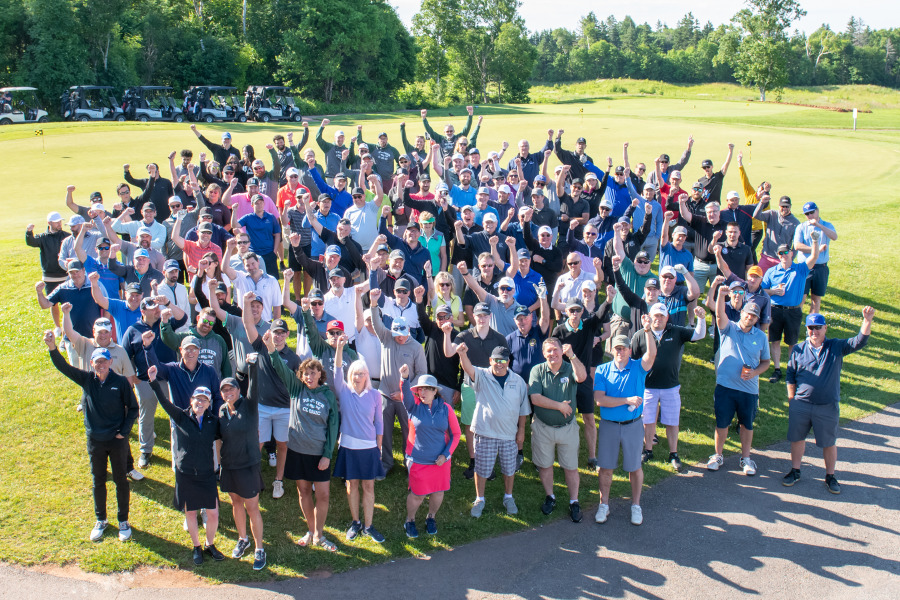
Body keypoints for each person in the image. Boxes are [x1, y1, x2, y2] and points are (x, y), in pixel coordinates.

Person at [44, 332, 138, 542]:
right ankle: (101, 519)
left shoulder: (121, 382)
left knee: (121, 480)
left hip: (117, 441)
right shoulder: (87, 379)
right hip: (95, 440)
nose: (101, 365)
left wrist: (123, 432)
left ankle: (123, 520)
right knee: (98, 481)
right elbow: (64, 368)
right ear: (92, 363)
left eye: (104, 361)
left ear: (110, 362)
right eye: (97, 362)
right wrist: (52, 348)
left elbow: (133, 409)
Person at [783, 308, 874, 494]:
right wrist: (792, 400)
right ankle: (795, 470)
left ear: (825, 328)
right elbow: (790, 376)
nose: (814, 332)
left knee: (828, 442)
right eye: (811, 328)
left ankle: (830, 476)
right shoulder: (798, 349)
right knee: (797, 439)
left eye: (818, 328)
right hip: (801, 404)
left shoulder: (835, 346)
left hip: (827, 406)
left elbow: (859, 342)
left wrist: (867, 321)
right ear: (807, 329)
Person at [265, 330, 339, 551]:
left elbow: (333, 426)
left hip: (319, 455)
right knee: (303, 492)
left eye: (313, 372)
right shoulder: (295, 388)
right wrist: (270, 346)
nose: (309, 376)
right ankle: (311, 530)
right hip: (297, 451)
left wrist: (327, 454)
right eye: (306, 373)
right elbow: (279, 365)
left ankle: (319, 534)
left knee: (323, 494)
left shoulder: (327, 395)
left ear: (320, 375)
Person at [146, 368, 226, 566]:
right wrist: (154, 381)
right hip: (186, 473)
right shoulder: (181, 416)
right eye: (197, 399)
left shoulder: (213, 422)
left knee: (213, 513)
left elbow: (229, 435)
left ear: (209, 404)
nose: (200, 403)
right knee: (190, 513)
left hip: (207, 473)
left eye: (204, 400)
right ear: (191, 400)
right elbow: (164, 402)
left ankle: (210, 543)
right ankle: (197, 546)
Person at [592, 322, 657, 526]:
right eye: (617, 348)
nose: (620, 351)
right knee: (606, 468)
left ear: (630, 350)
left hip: (633, 425)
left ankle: (636, 505)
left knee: (634, 467)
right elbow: (600, 400)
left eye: (624, 348)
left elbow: (652, 354)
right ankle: (604, 504)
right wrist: (627, 400)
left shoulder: (638, 367)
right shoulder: (602, 370)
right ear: (612, 350)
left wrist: (647, 331)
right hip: (609, 425)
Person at [455, 344, 530, 518]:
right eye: (496, 360)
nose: (499, 364)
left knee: (509, 469)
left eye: (503, 360)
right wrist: (462, 354)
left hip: (509, 434)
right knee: (481, 469)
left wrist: (521, 431)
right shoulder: (482, 375)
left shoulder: (518, 381)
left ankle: (508, 497)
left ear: (508, 362)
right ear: (490, 361)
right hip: (485, 432)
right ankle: (480, 499)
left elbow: (523, 409)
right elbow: (467, 368)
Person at [633, 303, 707, 470]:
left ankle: (673, 453)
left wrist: (701, 318)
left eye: (661, 316)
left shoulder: (676, 331)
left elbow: (699, 335)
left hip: (670, 386)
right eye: (655, 316)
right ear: (649, 317)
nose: (658, 319)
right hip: (648, 386)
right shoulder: (640, 335)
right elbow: (633, 361)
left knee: (672, 422)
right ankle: (648, 450)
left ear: (667, 318)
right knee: (648, 420)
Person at [707, 290, 771, 476]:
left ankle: (746, 458)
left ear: (757, 318)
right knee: (722, 423)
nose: (750, 317)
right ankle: (718, 455)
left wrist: (755, 372)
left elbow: (766, 362)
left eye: (753, 315)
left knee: (746, 425)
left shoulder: (761, 337)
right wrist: (720, 294)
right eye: (747, 313)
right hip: (725, 387)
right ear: (741, 313)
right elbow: (719, 314)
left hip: (749, 390)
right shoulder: (729, 328)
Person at [332, 336, 386, 543]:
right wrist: (339, 348)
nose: (357, 377)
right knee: (351, 485)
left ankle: (369, 525)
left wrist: (379, 445)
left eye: (361, 373)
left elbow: (379, 423)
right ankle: (356, 522)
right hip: (348, 446)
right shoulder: (344, 391)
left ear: (367, 376)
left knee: (369, 487)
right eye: (354, 373)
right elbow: (337, 372)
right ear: (350, 375)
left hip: (369, 447)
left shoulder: (375, 396)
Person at [368, 289, 427, 474]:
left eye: (402, 334)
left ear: (409, 330)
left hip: (406, 399)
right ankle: (386, 463)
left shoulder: (416, 347)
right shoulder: (387, 338)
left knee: (408, 432)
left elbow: (421, 373)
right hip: (385, 395)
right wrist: (373, 304)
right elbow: (377, 323)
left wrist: (405, 392)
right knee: (383, 432)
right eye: (396, 334)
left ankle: (409, 461)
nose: (399, 337)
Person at [529, 339, 587, 522]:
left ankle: (574, 501)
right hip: (542, 427)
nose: (552, 354)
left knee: (570, 467)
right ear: (543, 353)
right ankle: (550, 496)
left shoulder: (570, 368)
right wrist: (560, 406)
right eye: (548, 351)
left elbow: (582, 377)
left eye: (555, 350)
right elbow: (536, 399)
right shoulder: (537, 370)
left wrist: (573, 356)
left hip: (567, 429)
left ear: (562, 351)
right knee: (545, 466)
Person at [399, 367, 461, 538]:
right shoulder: (413, 406)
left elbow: (456, 434)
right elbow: (405, 393)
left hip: (440, 461)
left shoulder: (446, 409)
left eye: (427, 389)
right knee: (417, 495)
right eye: (420, 389)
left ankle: (431, 517)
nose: (422, 392)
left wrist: (446, 455)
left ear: (435, 391)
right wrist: (404, 378)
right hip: (418, 461)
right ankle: (410, 520)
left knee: (438, 492)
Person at [215, 377, 267, 570]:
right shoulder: (221, 410)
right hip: (229, 465)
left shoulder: (249, 405)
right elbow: (219, 438)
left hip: (248, 465)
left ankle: (259, 548)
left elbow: (254, 386)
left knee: (252, 508)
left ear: (239, 390)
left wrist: (252, 365)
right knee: (236, 503)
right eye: (224, 390)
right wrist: (220, 464)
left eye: (232, 389)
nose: (228, 393)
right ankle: (243, 538)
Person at [761, 241, 822, 384]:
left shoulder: (800, 269)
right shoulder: (772, 271)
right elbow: (762, 290)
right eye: (780, 253)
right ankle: (777, 369)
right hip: (775, 310)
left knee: (792, 342)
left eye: (786, 252)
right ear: (778, 255)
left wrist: (814, 241)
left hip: (793, 311)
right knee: (774, 340)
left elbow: (814, 256)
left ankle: (791, 369)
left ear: (791, 254)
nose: (783, 255)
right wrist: (773, 291)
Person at [26, 212, 70, 334]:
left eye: (60, 221)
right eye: (56, 222)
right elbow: (31, 242)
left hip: (65, 275)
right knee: (53, 303)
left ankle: (68, 326)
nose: (59, 224)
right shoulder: (43, 237)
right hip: (50, 277)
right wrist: (29, 232)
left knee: (67, 303)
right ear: (49, 223)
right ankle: (57, 327)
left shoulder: (66, 236)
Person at [793, 201, 837, 315]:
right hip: (805, 267)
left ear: (817, 211)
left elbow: (834, 236)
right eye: (807, 214)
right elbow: (797, 246)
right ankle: (795, 324)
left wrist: (818, 225)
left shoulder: (826, 225)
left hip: (821, 268)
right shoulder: (801, 227)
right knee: (800, 298)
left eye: (812, 212)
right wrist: (816, 250)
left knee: (816, 299)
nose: (810, 216)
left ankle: (812, 327)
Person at [752, 195, 800, 274]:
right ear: (779, 206)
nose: (784, 208)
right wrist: (762, 203)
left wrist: (790, 258)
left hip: (782, 259)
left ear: (790, 206)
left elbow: (796, 244)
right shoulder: (772, 214)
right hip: (766, 257)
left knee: (779, 284)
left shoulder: (795, 223)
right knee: (759, 280)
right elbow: (756, 215)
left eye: (787, 206)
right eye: (782, 206)